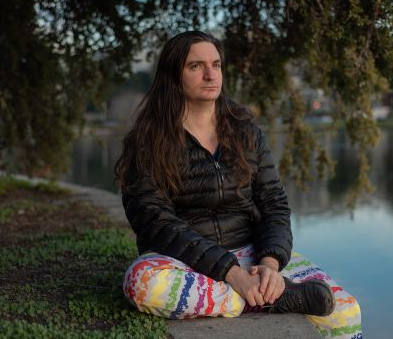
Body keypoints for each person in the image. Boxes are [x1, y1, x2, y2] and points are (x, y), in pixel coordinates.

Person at [114, 31, 362, 339]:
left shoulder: (246, 133)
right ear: (173, 76)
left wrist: (270, 265)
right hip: (184, 261)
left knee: (346, 311)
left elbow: (274, 204)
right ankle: (266, 300)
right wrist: (232, 274)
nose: (209, 74)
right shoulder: (148, 142)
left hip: (253, 254)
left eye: (216, 65)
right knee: (142, 283)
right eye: (196, 66)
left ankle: (265, 293)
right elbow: (154, 222)